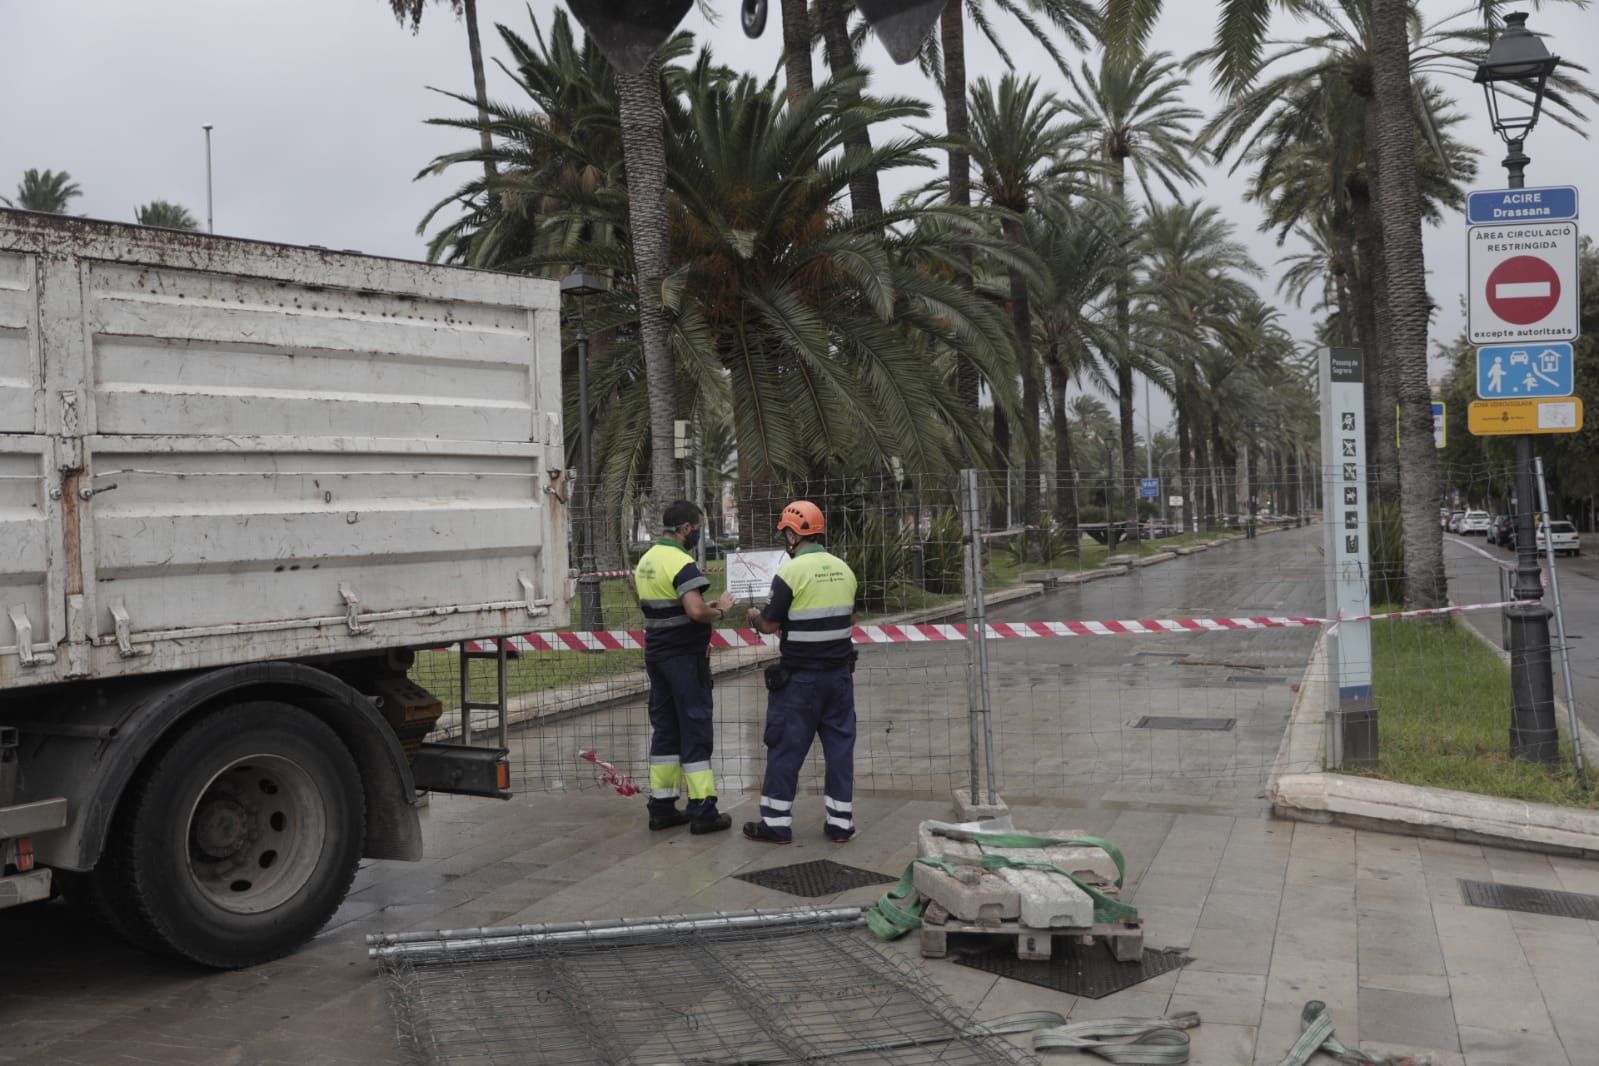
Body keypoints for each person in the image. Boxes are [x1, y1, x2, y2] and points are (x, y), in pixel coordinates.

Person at [742, 500, 860, 845]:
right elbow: (851, 618)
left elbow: (770, 622)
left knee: (785, 747)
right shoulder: (844, 569)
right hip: (839, 677)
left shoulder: (790, 573)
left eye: (785, 533)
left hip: (800, 681)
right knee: (839, 749)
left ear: (794, 533)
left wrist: (753, 616)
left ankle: (776, 824)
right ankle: (841, 823)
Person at [634, 500, 734, 834]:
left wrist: (701, 607)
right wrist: (718, 612)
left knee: (666, 728)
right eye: (699, 527)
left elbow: (664, 607)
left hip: (657, 655)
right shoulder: (682, 562)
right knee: (695, 727)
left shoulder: (646, 561)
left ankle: (661, 807)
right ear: (686, 528)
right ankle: (702, 809)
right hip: (686, 658)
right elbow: (693, 611)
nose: (699, 533)